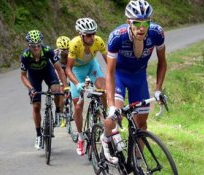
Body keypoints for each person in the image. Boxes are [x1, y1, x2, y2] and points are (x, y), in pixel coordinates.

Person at [102, 0, 167, 164]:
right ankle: (106, 137)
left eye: (145, 22)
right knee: (114, 116)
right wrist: (110, 104)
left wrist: (158, 89)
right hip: (119, 77)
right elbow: (109, 72)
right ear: (128, 22)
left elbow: (162, 62)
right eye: (136, 23)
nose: (141, 27)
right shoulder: (117, 36)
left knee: (142, 124)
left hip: (139, 78)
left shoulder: (157, 33)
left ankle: (137, 162)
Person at [65, 18, 107, 156]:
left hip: (92, 66)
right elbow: (68, 69)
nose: (92, 37)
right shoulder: (74, 44)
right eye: (88, 35)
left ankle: (107, 118)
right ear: (81, 35)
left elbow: (110, 63)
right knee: (78, 105)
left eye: (93, 33)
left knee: (103, 89)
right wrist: (77, 84)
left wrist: (116, 78)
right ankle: (81, 137)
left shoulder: (98, 41)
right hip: (77, 71)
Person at [20, 30, 67, 150]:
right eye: (33, 46)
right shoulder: (25, 56)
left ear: (41, 44)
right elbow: (23, 76)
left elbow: (59, 69)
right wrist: (30, 89)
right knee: (36, 106)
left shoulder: (48, 51)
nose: (36, 48)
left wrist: (65, 86)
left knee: (56, 90)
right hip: (34, 76)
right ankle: (39, 135)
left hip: (48, 72)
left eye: (38, 45)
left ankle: (57, 112)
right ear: (28, 45)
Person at [54, 36, 71, 127]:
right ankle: (60, 114)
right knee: (60, 90)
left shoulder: (72, 52)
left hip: (68, 67)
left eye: (68, 49)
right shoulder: (55, 54)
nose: (66, 51)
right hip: (58, 69)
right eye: (63, 49)